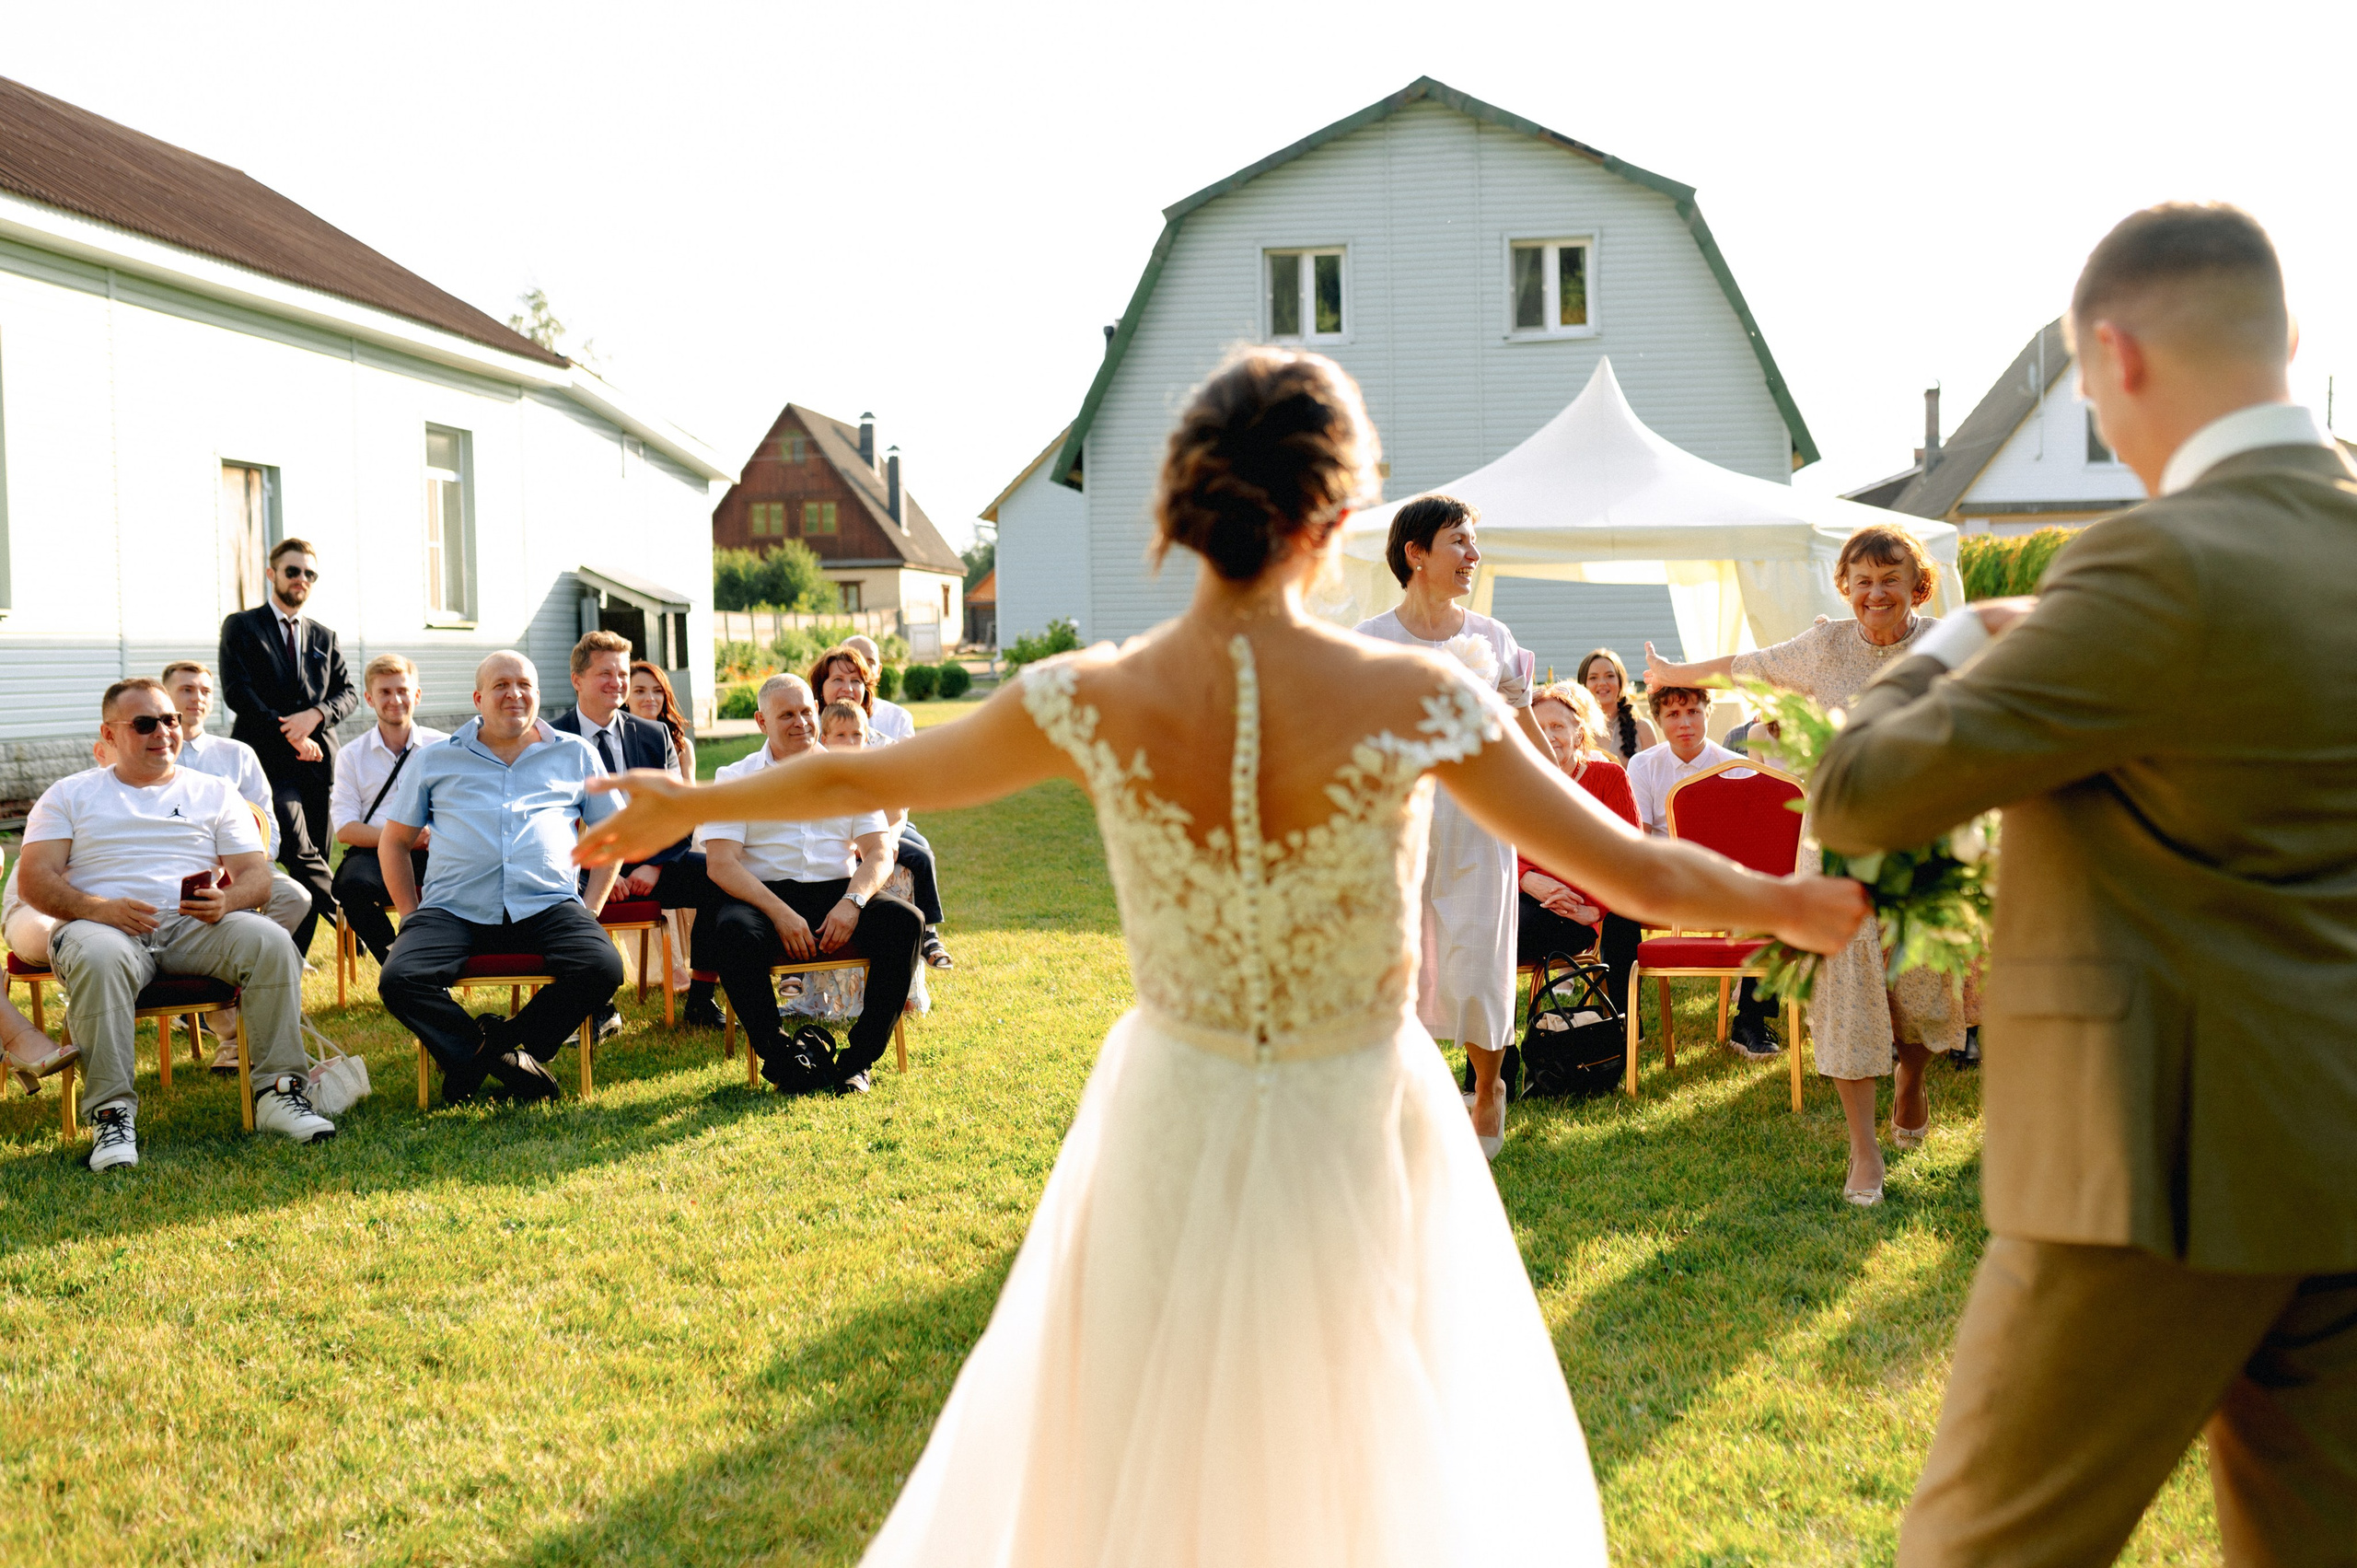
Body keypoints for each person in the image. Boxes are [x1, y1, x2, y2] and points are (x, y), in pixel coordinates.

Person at [576, 345, 1864, 1565]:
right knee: (1363, 1423)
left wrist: (685, 807)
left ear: (1183, 507)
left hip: (1174, 1102)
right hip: (1351, 1101)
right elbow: (1632, 867)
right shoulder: (1420, 695)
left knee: (1152, 1427)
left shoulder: (1088, 692)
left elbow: (866, 769)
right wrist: (1795, 902)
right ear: (1333, 515)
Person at [1816, 203, 2357, 1568]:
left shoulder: (2152, 563)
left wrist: (1968, 627)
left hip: (2156, 1163)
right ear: (2287, 338)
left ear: (2110, 354)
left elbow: (1862, 789)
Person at [1647, 524, 1964, 1203]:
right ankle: (1864, 1152)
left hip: (1919, 842)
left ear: (1918, 584)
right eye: (1862, 580)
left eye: (1890, 579)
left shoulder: (1945, 643)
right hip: (1837, 842)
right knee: (1849, 992)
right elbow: (1747, 665)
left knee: (1921, 990)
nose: (1875, 593)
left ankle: (1911, 1081)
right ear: (1844, 586)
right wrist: (1675, 673)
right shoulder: (1822, 646)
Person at [21, 678, 336, 1169]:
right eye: (145, 723)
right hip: (101, 928)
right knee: (100, 957)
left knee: (271, 941)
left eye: (170, 720)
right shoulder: (70, 794)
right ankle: (112, 1117)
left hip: (193, 924)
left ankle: (279, 1093)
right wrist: (97, 909)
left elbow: (258, 876)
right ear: (109, 734)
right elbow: (33, 882)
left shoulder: (213, 792)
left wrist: (226, 900)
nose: (164, 732)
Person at [1355, 494, 1553, 1160]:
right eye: (1460, 542)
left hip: (1478, 819)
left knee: (1476, 957)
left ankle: (1489, 1086)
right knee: (1399, 961)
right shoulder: (1371, 639)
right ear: (1416, 554)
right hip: (1397, 823)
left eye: (1474, 543)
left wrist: (1558, 785)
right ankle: (1405, 1100)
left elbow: (1523, 726)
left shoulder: (1494, 637)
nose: (1473, 555)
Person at [376, 651, 623, 1105]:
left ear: (538, 694)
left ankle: (500, 1045)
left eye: (525, 684)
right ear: (478, 698)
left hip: (548, 904)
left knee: (602, 967)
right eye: (501, 685)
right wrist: (411, 915)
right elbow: (392, 842)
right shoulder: (435, 759)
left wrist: (588, 910)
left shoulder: (575, 754)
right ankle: (501, 1061)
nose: (515, 694)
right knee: (400, 980)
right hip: (452, 907)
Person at [697, 674, 922, 1097]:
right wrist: (779, 913)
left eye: (806, 711)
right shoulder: (734, 776)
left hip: (838, 893)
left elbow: (878, 852)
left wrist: (853, 901)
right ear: (761, 721)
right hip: (762, 897)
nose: (800, 722)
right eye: (786, 714)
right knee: (732, 932)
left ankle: (858, 1062)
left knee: (905, 922)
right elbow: (721, 864)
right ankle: (785, 1059)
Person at [551, 631, 718, 1037]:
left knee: (720, 878)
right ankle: (596, 1002)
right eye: (604, 673)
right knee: (553, 897)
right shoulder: (550, 741)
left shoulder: (652, 734)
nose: (617, 683)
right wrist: (608, 872)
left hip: (653, 861)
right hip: (581, 868)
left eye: (622, 673)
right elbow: (548, 826)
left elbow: (678, 811)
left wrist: (656, 866)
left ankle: (701, 999)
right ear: (577, 680)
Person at [161, 659, 319, 1067]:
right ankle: (230, 1033)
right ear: (166, 697)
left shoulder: (237, 755)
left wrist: (244, 864)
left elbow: (270, 828)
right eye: (186, 690)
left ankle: (222, 1007)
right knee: (203, 915)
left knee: (297, 897)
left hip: (238, 871)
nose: (197, 699)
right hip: (173, 880)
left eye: (205, 691)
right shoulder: (152, 754)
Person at [1625, 684, 1782, 1063]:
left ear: (1708, 714)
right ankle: (1625, 1020)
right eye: (1673, 715)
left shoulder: (1738, 766)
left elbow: (1752, 846)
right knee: (1617, 905)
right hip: (1665, 881)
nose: (1685, 723)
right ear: (1659, 720)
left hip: (1722, 882)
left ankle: (1751, 1020)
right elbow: (1640, 841)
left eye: (1693, 712)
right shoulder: (1643, 765)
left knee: (1773, 899)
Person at [216, 537, 357, 960]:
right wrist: (290, 733)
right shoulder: (241, 626)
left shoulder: (324, 636)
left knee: (310, 856)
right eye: (292, 570)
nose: (301, 579)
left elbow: (348, 692)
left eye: (309, 574)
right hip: (266, 761)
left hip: (318, 763)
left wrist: (315, 716)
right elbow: (238, 692)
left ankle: (291, 962)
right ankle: (347, 912)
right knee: (299, 849)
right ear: (272, 574)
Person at [813, 642, 952, 970]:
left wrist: (883, 842)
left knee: (918, 854)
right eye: (837, 680)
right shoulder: (808, 742)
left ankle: (928, 932)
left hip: (880, 827)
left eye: (856, 681)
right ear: (820, 687)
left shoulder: (884, 745)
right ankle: (806, 970)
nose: (847, 688)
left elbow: (898, 807)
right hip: (829, 834)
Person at [1517, 683, 1640, 1014]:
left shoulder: (1609, 778)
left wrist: (1594, 908)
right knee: (1491, 923)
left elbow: (1628, 854)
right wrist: (1527, 880)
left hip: (1584, 909)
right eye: (1538, 728)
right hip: (1529, 902)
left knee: (1622, 913)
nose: (1548, 736)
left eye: (1557, 726)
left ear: (1578, 730)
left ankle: (1621, 1022)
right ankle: (1496, 1048)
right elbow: (1498, 847)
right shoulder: (1518, 783)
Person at [329, 654, 447, 965]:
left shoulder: (445, 748)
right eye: (384, 692)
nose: (395, 699)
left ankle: (449, 960)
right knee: (351, 888)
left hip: (437, 848)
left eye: (403, 690)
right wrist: (403, 837)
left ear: (417, 695)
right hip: (375, 850)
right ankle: (400, 961)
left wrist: (433, 836)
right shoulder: (351, 755)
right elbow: (345, 829)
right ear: (369, 698)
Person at [626, 660, 700, 999]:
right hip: (626, 837)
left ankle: (698, 961)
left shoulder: (679, 743)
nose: (649, 698)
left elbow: (688, 800)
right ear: (625, 695)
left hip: (677, 828)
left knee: (698, 850)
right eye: (640, 690)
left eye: (657, 691)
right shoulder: (613, 742)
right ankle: (667, 964)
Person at [1576, 648, 1656, 763]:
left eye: (1609, 676)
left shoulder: (1642, 729)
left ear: (1620, 681)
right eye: (1593, 678)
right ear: (1583, 684)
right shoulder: (1574, 730)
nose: (1602, 683)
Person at [844, 634, 916, 743]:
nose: (861, 669)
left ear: (879, 671)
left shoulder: (898, 719)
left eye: (869, 663)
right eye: (852, 660)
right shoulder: (816, 719)